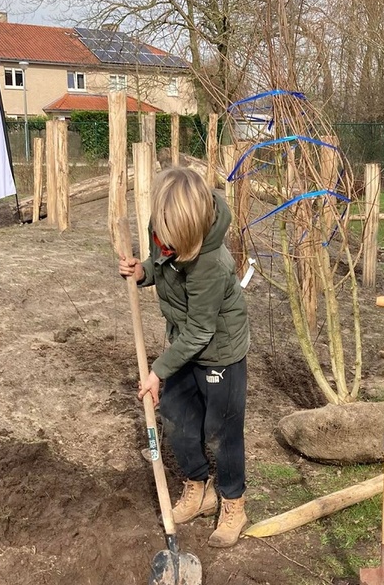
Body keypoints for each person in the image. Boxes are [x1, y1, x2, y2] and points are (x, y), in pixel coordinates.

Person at [118, 167, 250, 548]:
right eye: (164, 241)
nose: (167, 249)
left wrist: (157, 371)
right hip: (184, 343)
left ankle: (232, 502)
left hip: (219, 350)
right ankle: (198, 487)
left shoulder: (212, 264)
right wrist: (143, 270)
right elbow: (161, 265)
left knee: (221, 432)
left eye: (176, 247)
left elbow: (200, 331)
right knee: (176, 417)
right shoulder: (163, 225)